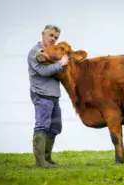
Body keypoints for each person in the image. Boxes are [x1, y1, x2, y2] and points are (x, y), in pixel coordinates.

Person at [27, 25, 69, 168]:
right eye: (51, 35)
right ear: (43, 34)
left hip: (53, 96)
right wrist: (61, 64)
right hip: (41, 94)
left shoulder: (52, 52)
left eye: (56, 37)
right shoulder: (36, 51)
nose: (53, 39)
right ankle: (40, 162)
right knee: (42, 125)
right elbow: (43, 71)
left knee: (55, 126)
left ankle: (47, 158)